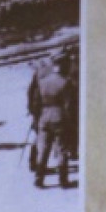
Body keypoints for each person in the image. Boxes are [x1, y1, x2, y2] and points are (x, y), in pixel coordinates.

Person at [33, 53, 77, 190]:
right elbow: (69, 105)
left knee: (44, 148)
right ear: (63, 65)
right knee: (62, 149)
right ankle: (63, 180)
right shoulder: (65, 83)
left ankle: (39, 178)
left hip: (44, 117)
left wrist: (37, 117)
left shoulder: (43, 81)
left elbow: (36, 102)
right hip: (59, 117)